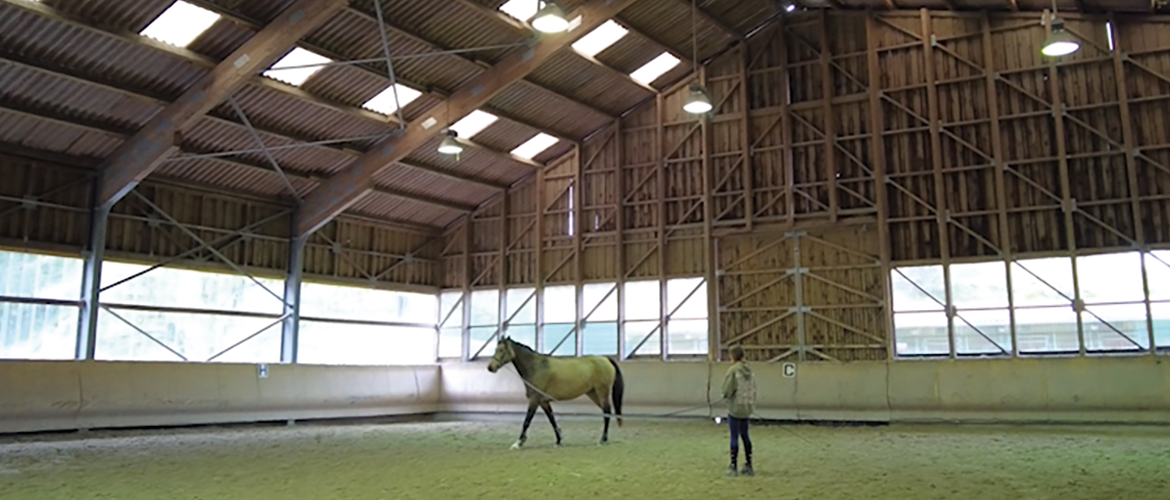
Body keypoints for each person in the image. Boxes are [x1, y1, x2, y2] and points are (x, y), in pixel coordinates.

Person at [721, 344, 755, 477]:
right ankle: (749, 464)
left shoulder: (733, 370)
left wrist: (725, 396)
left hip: (735, 408)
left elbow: (727, 389)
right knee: (745, 435)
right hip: (746, 407)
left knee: (734, 436)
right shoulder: (750, 370)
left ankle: (733, 466)